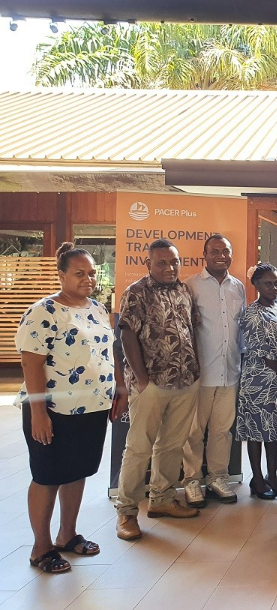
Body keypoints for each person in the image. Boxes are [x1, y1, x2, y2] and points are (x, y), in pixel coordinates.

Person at [16, 243, 124, 573]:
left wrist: (119, 387)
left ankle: (67, 534)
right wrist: (38, 413)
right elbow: (31, 363)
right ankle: (41, 547)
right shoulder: (44, 311)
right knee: (48, 475)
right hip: (52, 411)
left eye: (92, 273)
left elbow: (109, 352)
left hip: (92, 408)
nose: (88, 279)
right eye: (79, 273)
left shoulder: (96, 308)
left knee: (77, 471)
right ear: (61, 275)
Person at [116, 239, 202, 541]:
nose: (170, 267)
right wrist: (141, 379)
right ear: (149, 264)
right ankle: (126, 511)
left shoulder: (183, 290)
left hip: (185, 380)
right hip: (151, 383)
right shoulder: (136, 292)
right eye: (162, 262)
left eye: (174, 262)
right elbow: (126, 335)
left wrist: (196, 370)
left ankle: (162, 500)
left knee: (172, 445)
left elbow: (190, 329)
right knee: (139, 447)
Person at [182, 234, 245, 508]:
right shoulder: (190, 286)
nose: (221, 255)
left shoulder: (238, 288)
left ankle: (218, 477)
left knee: (222, 430)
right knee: (194, 431)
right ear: (204, 255)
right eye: (215, 251)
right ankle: (192, 480)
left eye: (226, 251)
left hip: (229, 371)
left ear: (231, 255)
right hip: (200, 374)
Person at [238, 263, 277, 501]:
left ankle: (273, 476)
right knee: (255, 431)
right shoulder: (251, 313)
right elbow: (257, 346)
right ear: (256, 285)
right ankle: (257, 479)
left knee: (275, 431)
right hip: (257, 378)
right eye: (268, 283)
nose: (274, 287)